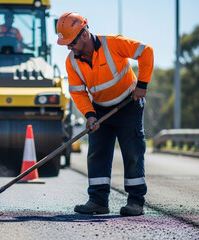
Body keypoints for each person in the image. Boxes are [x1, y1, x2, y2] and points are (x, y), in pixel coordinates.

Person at [56, 12, 154, 216]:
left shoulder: (113, 44)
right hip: (100, 109)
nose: (68, 47)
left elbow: (146, 52)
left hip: (129, 104)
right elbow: (78, 92)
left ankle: (136, 202)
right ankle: (98, 201)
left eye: (70, 42)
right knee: (97, 154)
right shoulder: (72, 61)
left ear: (83, 35)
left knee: (133, 152)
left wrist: (142, 84)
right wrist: (89, 115)